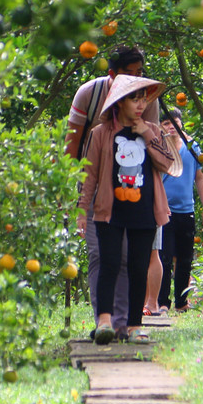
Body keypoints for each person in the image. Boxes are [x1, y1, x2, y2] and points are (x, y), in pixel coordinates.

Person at [65, 47, 159, 335]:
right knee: (102, 256)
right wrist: (74, 196)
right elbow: (73, 145)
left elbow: (156, 151)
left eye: (139, 74)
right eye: (128, 75)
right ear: (112, 75)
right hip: (95, 187)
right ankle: (104, 321)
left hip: (134, 193)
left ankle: (123, 324)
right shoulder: (89, 94)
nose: (135, 81)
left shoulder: (147, 99)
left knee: (130, 257)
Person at [77, 75, 176, 344]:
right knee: (108, 264)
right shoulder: (101, 133)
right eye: (134, 98)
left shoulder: (153, 131)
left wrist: (145, 132)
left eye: (143, 98)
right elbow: (90, 174)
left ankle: (134, 325)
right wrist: (81, 209)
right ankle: (105, 322)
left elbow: (168, 164)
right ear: (120, 102)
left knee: (137, 267)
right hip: (110, 210)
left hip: (144, 212)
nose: (141, 104)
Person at [155, 107, 203, 312]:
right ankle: (162, 303)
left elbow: (200, 177)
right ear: (161, 126)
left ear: (181, 124)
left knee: (185, 259)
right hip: (163, 212)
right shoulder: (158, 147)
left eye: (174, 122)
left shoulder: (192, 146)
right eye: (166, 123)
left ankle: (181, 303)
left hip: (186, 210)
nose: (171, 127)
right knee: (164, 258)